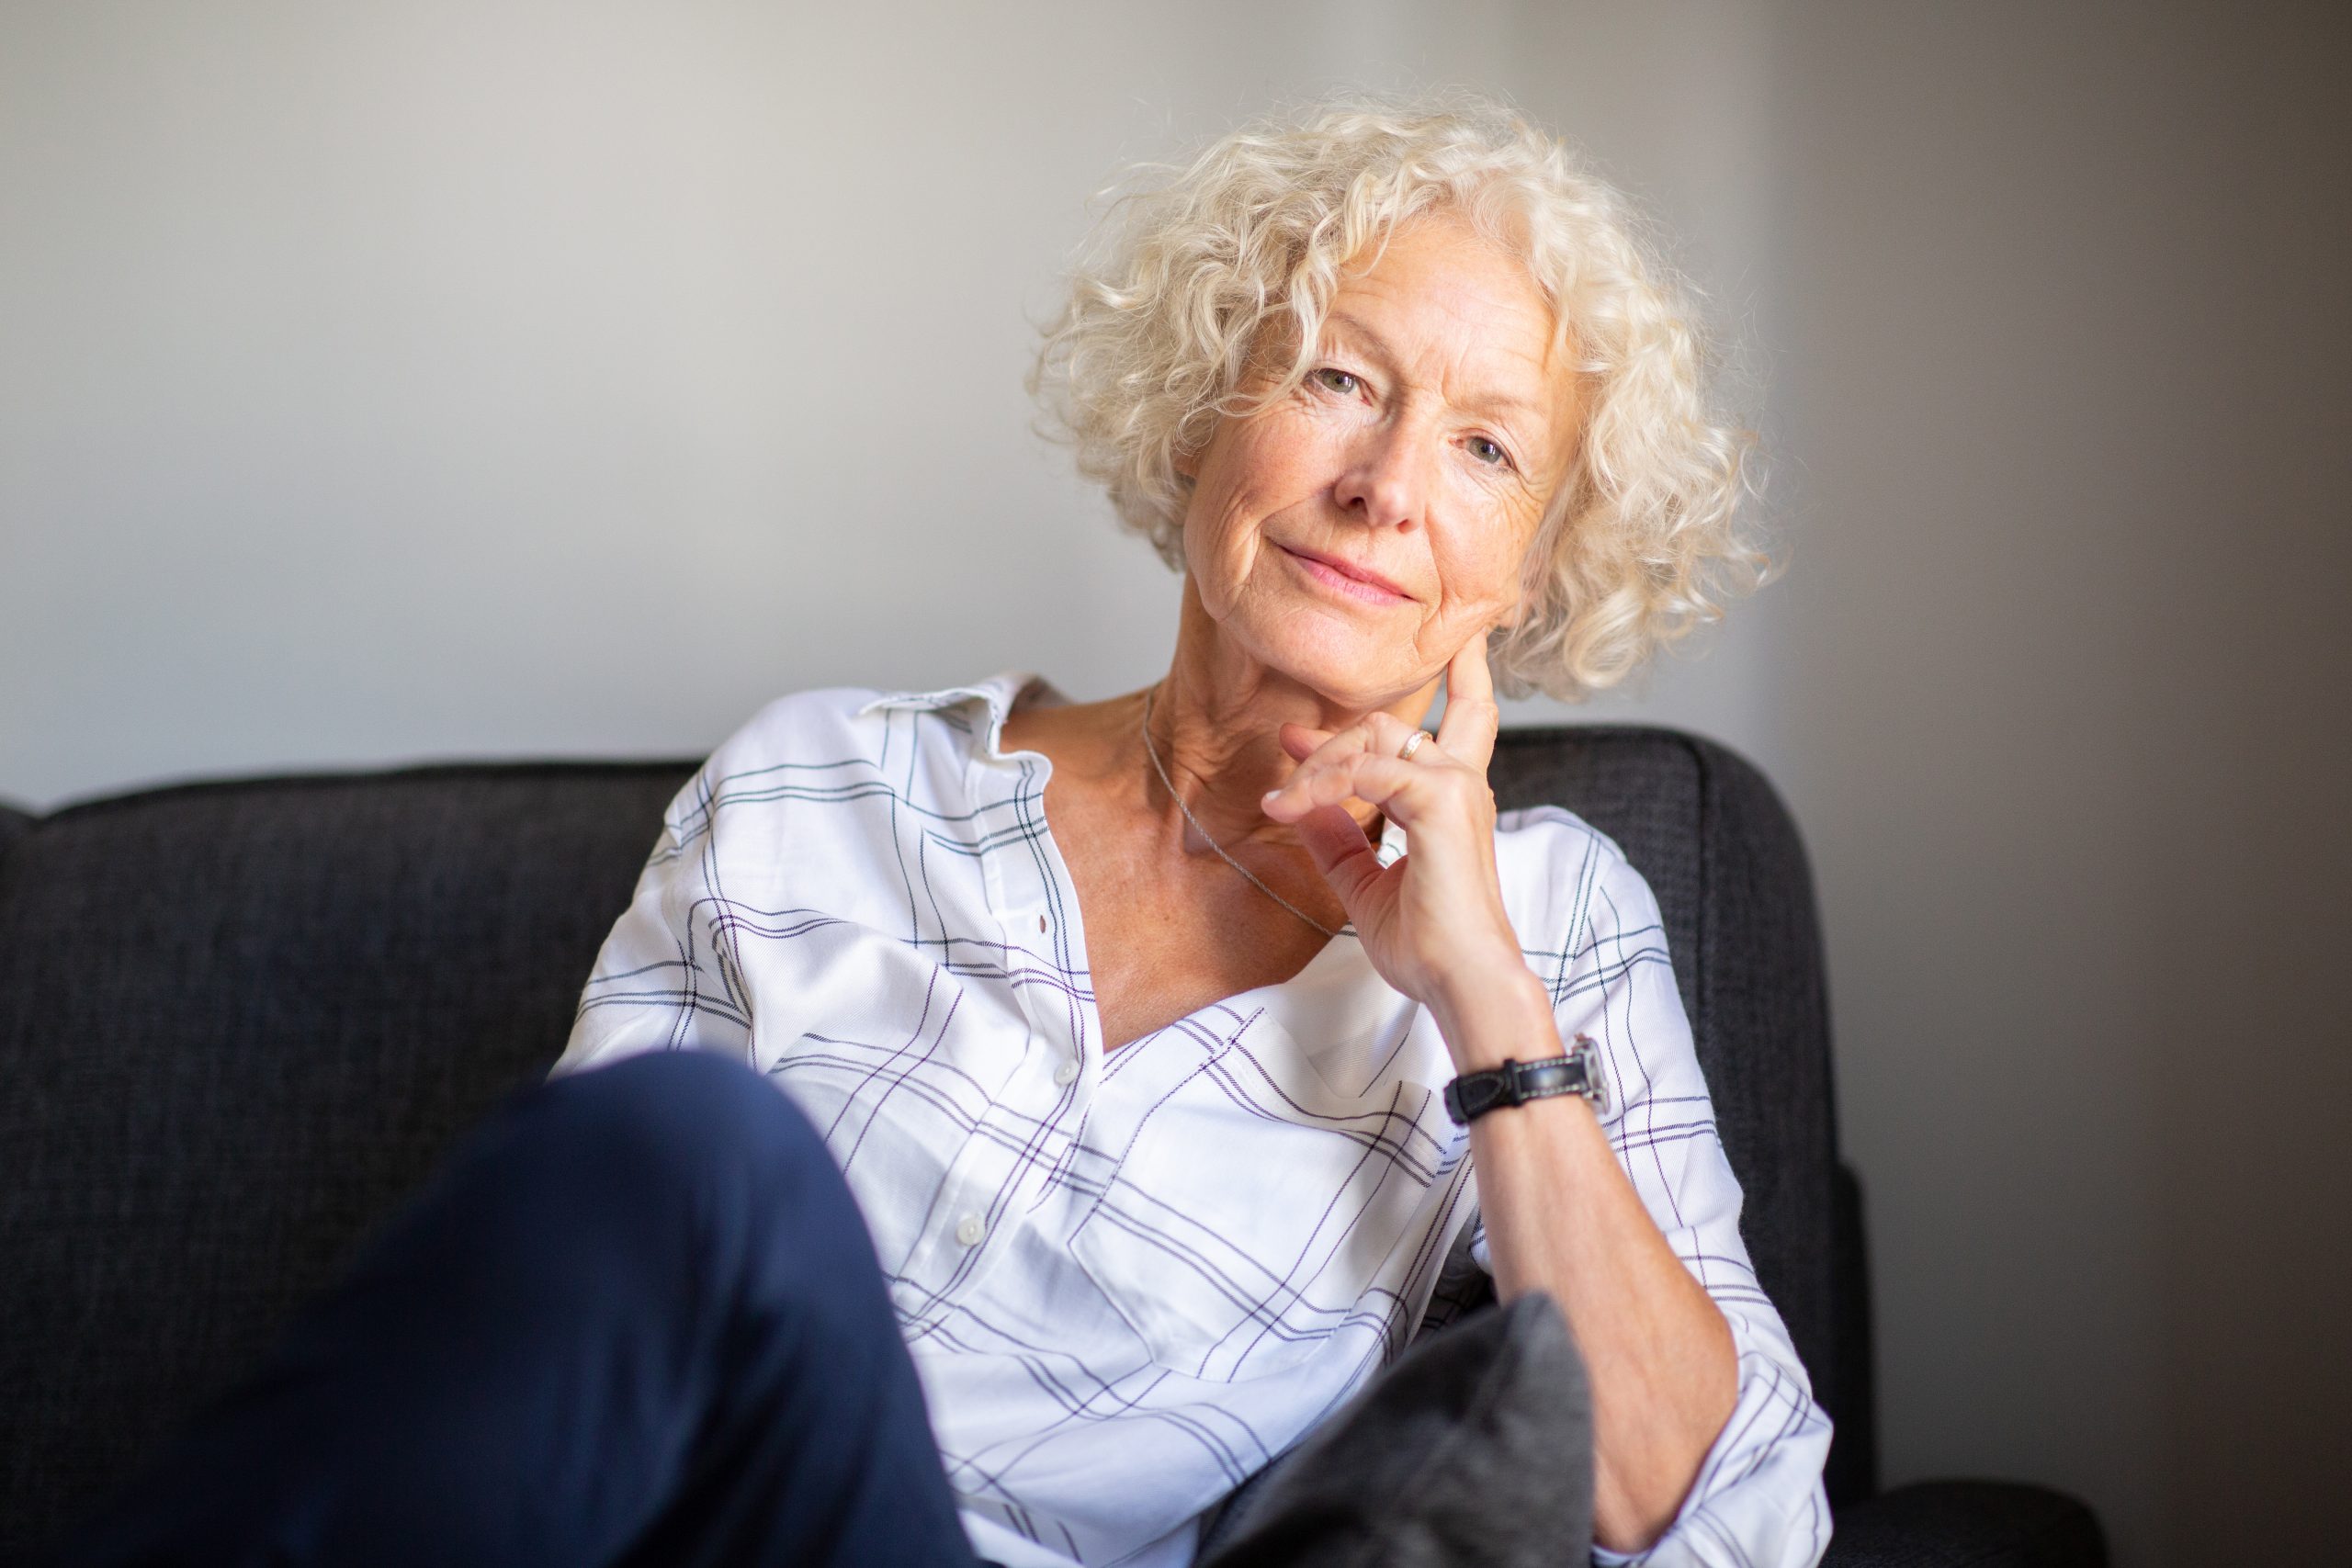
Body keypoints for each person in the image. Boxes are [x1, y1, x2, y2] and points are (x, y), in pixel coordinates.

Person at [63, 94, 1830, 1568]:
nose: (1387, 488)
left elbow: (1722, 1516)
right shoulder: (814, 791)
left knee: (703, 1149)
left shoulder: (1551, 923)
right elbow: (560, 1344)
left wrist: (1483, 1006)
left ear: (1533, 570)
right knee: (680, 1157)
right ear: (1212, 396)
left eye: (1488, 452)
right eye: (1341, 381)